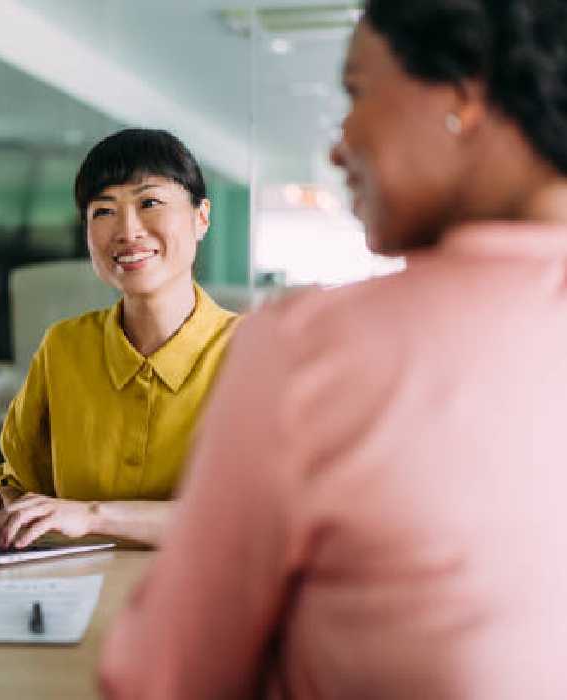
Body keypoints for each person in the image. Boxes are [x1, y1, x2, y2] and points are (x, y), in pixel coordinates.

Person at [100, 0, 567, 697]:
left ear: (463, 94)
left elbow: (160, 681)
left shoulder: (312, 349)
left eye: (356, 93)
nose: (339, 145)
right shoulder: (69, 347)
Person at [0, 128, 240, 549]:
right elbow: (22, 486)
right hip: (69, 588)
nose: (127, 230)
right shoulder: (64, 347)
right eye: (103, 211)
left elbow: (249, 517)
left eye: (149, 203)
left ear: (201, 217)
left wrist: (92, 515)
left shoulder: (256, 354)